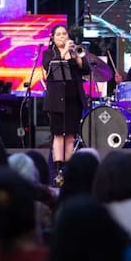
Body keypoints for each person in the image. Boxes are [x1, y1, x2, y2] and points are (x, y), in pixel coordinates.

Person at [41, 25, 91, 186]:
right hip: (56, 100)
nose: (62, 37)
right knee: (58, 135)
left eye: (64, 34)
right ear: (53, 38)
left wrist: (76, 56)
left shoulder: (74, 50)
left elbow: (86, 70)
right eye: (59, 34)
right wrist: (63, 54)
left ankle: (68, 170)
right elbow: (48, 68)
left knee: (70, 136)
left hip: (73, 99)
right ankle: (58, 171)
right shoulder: (49, 53)